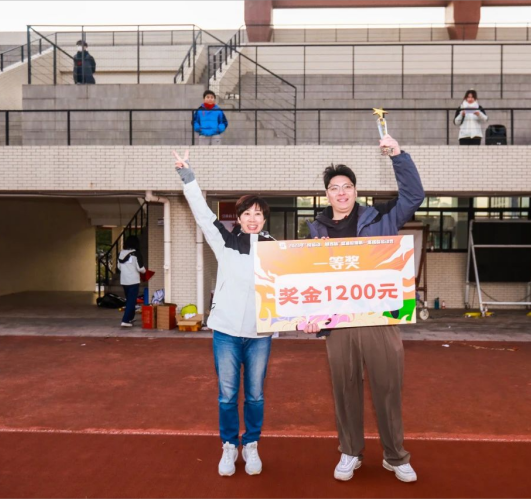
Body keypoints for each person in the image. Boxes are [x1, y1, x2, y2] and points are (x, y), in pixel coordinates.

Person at [302, 134, 424, 484]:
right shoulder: (316, 233)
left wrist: (398, 155)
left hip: (379, 319)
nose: (341, 193)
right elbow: (309, 281)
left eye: (347, 187)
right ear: (327, 194)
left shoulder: (380, 218)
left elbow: (414, 196)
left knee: (388, 388)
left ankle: (395, 456)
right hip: (338, 325)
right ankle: (350, 451)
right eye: (334, 188)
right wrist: (310, 318)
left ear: (355, 191)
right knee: (344, 390)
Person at [172, 149, 274, 477]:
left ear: (264, 219)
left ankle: (251, 444)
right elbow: (203, 215)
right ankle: (230, 446)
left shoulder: (277, 249)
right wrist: (188, 177)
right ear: (238, 217)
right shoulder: (225, 243)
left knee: (255, 396)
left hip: (260, 334)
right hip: (226, 333)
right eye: (247, 213)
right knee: (228, 396)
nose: (253, 218)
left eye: (258, 214)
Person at [117, 235, 145, 327]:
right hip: (133, 281)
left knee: (129, 300)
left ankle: (130, 318)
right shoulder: (136, 254)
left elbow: (119, 267)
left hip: (124, 280)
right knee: (131, 301)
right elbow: (140, 268)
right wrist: (145, 271)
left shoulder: (121, 253)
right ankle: (125, 320)